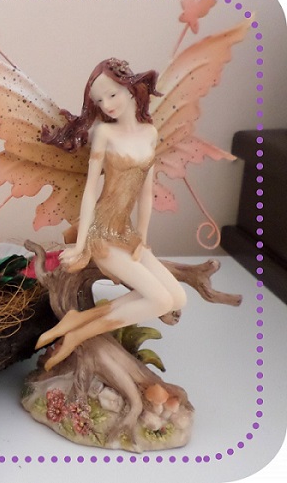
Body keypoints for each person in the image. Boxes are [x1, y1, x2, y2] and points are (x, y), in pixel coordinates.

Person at [36, 58, 187, 371]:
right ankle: (78, 335)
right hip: (101, 233)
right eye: (99, 100)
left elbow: (145, 192)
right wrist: (81, 246)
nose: (107, 105)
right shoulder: (104, 133)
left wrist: (142, 239)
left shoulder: (149, 133)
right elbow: (91, 190)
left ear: (131, 89)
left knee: (178, 299)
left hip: (126, 232)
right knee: (159, 300)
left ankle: (79, 320)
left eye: (112, 95)